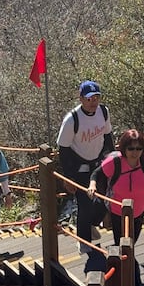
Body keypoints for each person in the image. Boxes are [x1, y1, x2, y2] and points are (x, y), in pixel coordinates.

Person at [88, 129, 144, 286]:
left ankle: (123, 265)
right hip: (118, 210)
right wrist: (92, 185)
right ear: (124, 148)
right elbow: (96, 174)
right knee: (125, 244)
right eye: (131, 148)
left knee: (131, 242)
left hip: (139, 210)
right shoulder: (116, 162)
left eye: (139, 148)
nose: (135, 152)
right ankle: (133, 285)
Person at [57, 80, 114, 253]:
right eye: (89, 99)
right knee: (85, 204)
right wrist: (69, 178)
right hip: (79, 167)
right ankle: (84, 242)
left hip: (98, 165)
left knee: (104, 201)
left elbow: (108, 137)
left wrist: (113, 161)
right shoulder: (72, 119)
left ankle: (89, 226)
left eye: (96, 98)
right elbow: (64, 149)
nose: (93, 102)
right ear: (81, 99)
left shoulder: (103, 112)